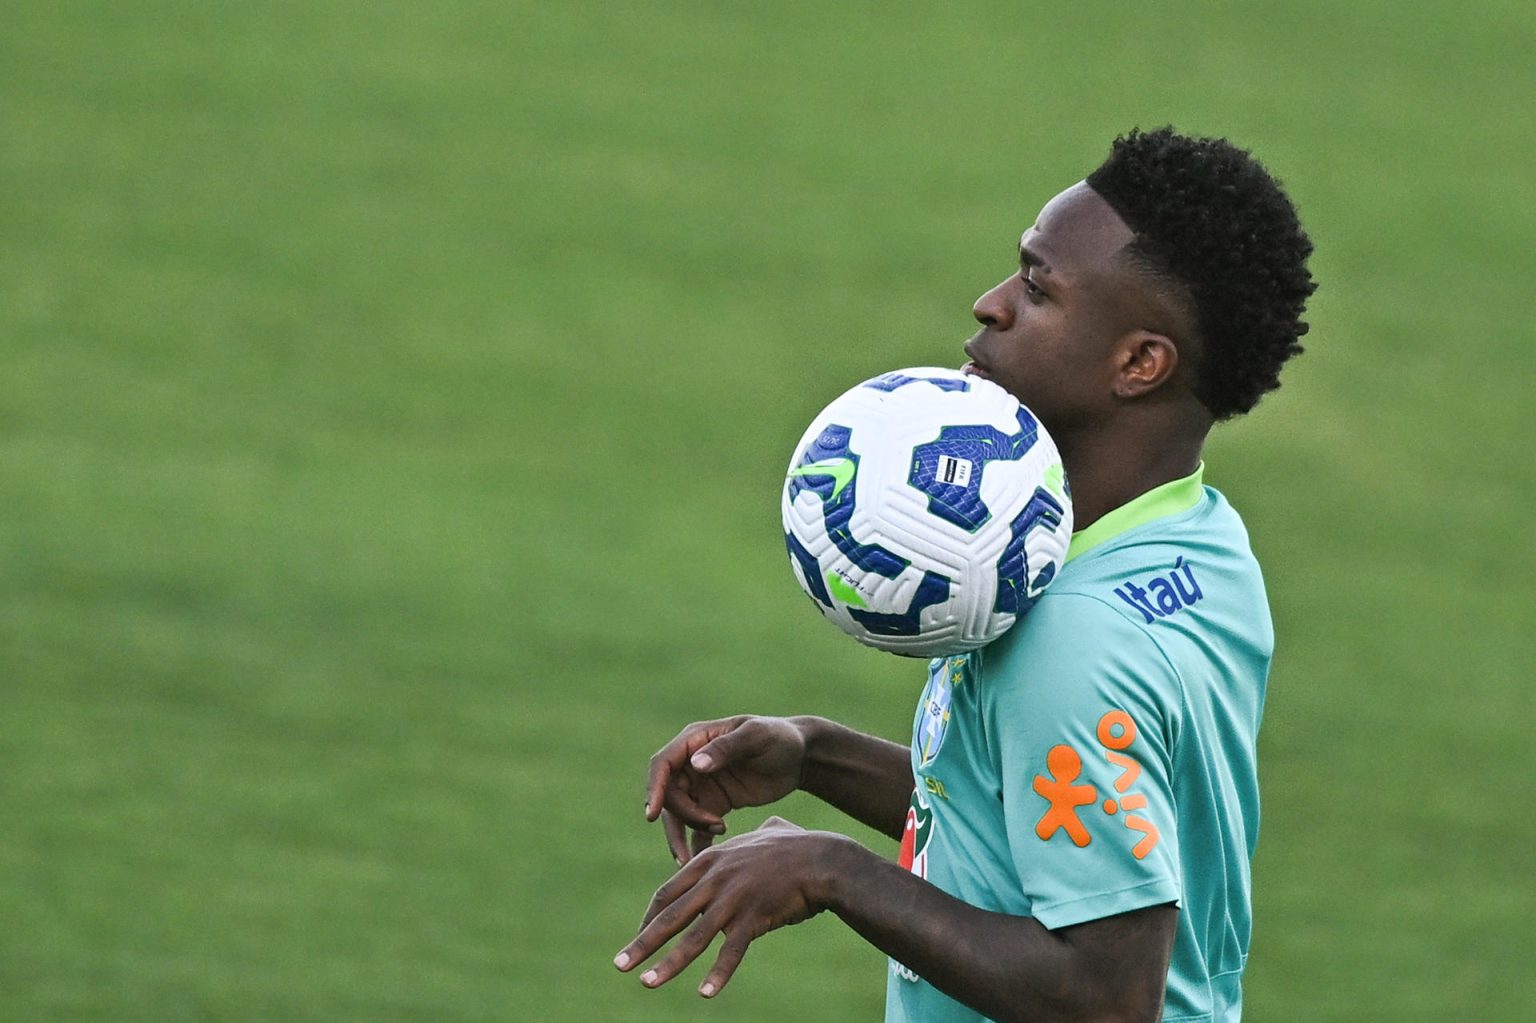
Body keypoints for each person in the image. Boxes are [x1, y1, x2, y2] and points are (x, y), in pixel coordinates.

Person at [613, 126, 1316, 1022]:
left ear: (1139, 363)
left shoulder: (1074, 634)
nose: (990, 305)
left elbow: (1107, 995)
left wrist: (830, 869)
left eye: (1037, 287)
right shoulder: (1194, 539)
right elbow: (1035, 816)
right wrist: (814, 751)